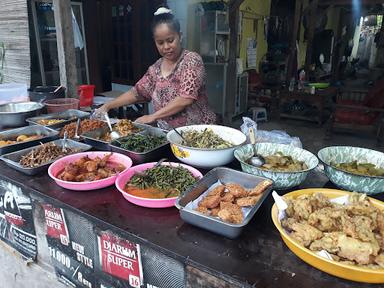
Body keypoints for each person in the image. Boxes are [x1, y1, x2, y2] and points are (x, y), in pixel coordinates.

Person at [98, 7, 216, 130]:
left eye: (170, 40)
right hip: (169, 136)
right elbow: (137, 93)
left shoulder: (191, 60)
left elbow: (186, 98)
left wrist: (153, 117)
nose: (166, 47)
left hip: (199, 134)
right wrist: (108, 106)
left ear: (180, 36)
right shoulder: (155, 69)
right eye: (160, 43)